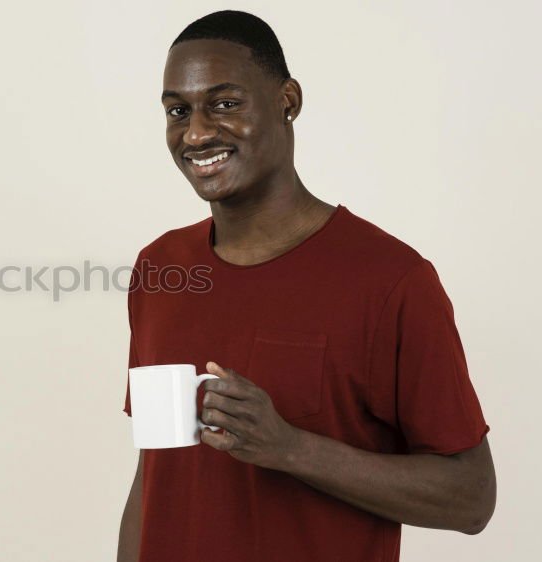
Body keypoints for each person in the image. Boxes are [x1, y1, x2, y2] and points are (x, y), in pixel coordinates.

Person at [117, 10, 496, 562]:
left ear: (288, 101)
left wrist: (291, 448)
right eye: (178, 111)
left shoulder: (391, 280)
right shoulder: (160, 269)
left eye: (225, 103)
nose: (196, 133)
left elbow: (472, 500)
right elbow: (153, 475)